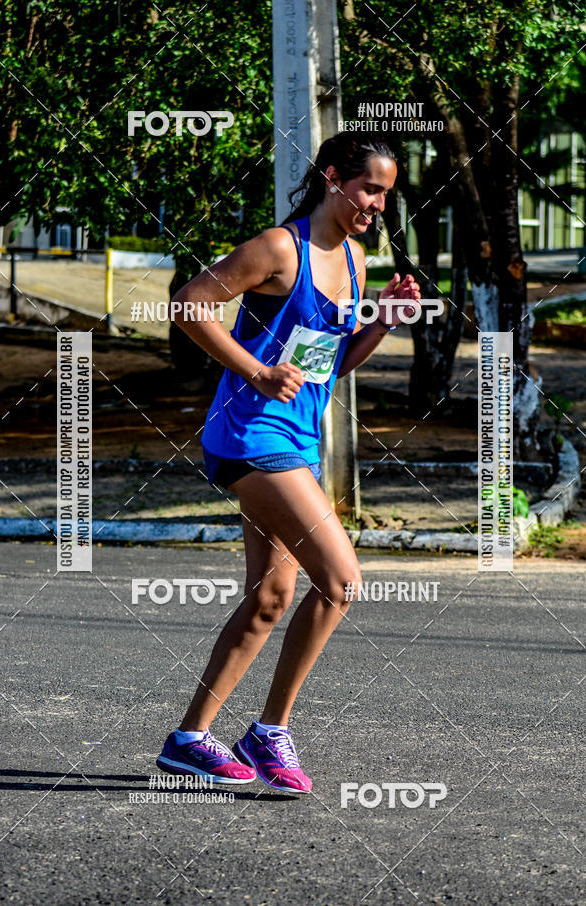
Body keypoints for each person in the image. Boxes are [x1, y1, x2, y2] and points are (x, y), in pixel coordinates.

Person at [156, 133, 421, 793]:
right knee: (340, 579)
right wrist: (255, 369)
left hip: (294, 440)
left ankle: (188, 739)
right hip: (249, 434)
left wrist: (381, 321)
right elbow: (189, 302)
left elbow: (328, 367)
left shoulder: (357, 258)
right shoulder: (281, 248)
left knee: (272, 597)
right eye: (369, 189)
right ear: (333, 178)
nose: (376, 205)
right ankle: (269, 730)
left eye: (385, 195)